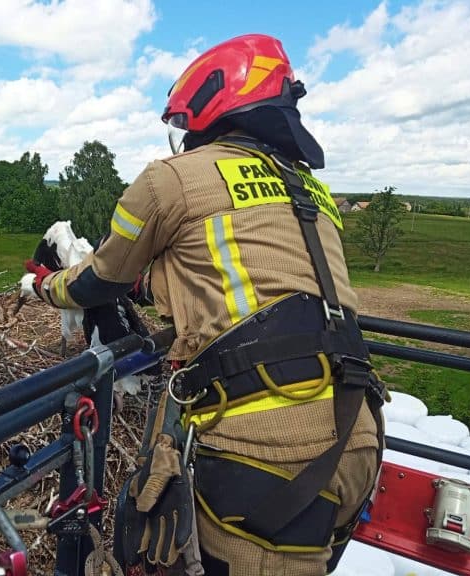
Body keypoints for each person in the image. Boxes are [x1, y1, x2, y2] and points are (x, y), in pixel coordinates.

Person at [21, 34, 384, 576]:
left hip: (270, 442)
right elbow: (241, 283)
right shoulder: (309, 189)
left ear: (206, 112)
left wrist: (45, 287)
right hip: (359, 429)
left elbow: (101, 279)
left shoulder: (172, 180)